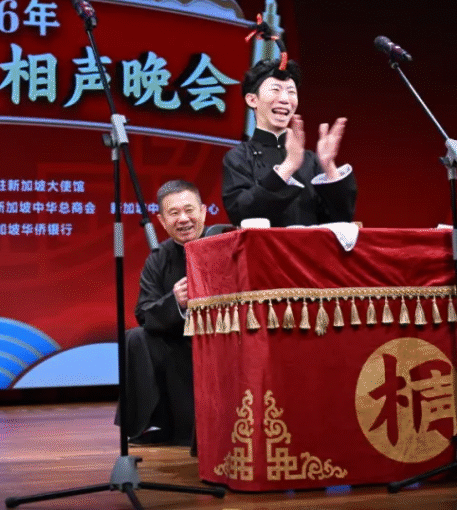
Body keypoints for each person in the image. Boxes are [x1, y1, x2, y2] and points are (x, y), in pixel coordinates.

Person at [119, 179, 206, 447]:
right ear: (162, 221)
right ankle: (152, 424)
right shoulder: (158, 258)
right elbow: (144, 313)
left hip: (220, 341)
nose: (183, 219)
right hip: (178, 345)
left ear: (203, 212)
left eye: (189, 210)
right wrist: (175, 302)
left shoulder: (225, 244)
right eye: (174, 213)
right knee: (135, 338)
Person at [222, 56, 357, 227]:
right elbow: (241, 213)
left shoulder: (311, 160)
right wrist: (288, 167)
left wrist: (329, 166)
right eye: (275, 90)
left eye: (291, 92)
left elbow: (341, 219)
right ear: (252, 100)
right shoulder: (239, 157)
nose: (285, 99)